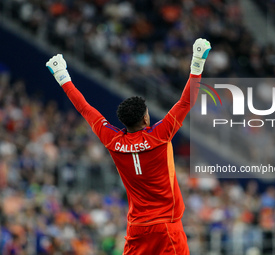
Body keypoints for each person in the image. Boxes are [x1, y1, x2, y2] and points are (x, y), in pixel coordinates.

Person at [46, 38, 211, 254]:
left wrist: (63, 77)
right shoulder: (160, 135)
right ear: (144, 119)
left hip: (137, 229)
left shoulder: (113, 140)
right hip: (166, 226)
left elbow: (85, 108)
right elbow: (185, 101)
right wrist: (197, 62)